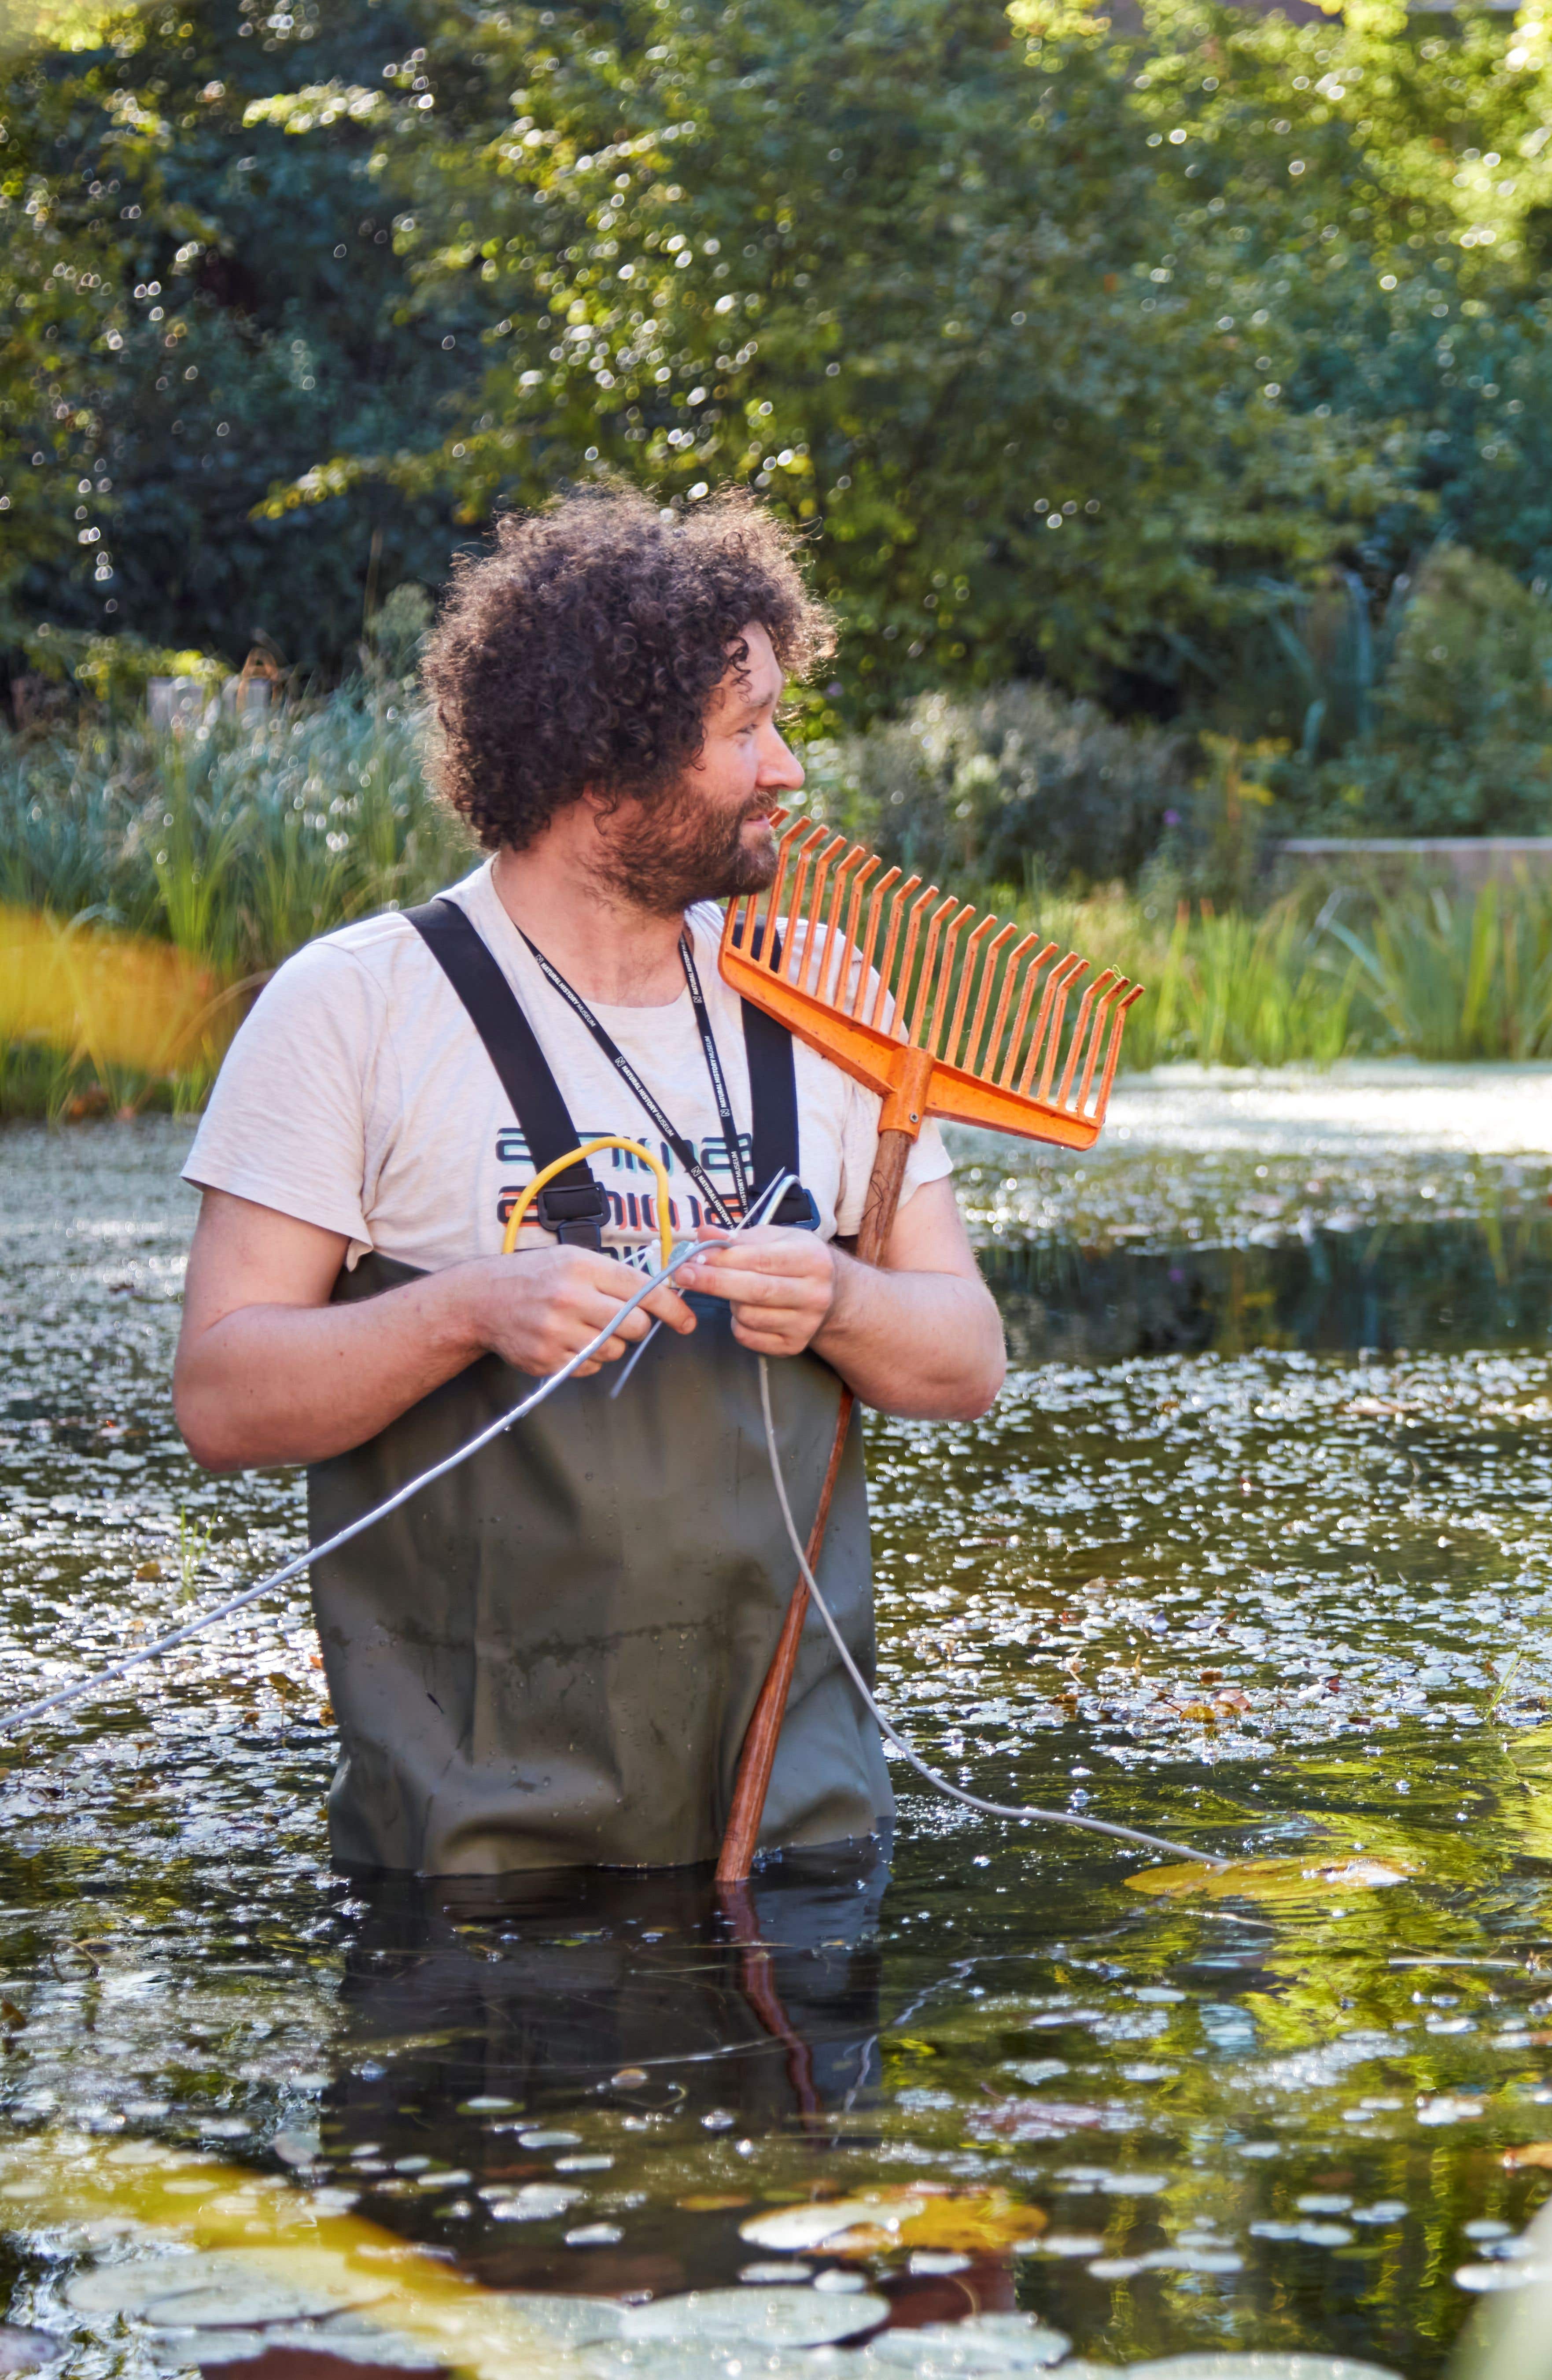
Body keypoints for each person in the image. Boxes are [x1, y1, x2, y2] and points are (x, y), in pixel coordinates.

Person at [173, 485, 1006, 1875]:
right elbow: (223, 1396)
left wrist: (846, 1297)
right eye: (745, 731)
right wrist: (467, 1309)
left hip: (795, 1843)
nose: (787, 769)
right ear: (599, 770)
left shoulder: (833, 1001)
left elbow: (964, 1356)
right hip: (474, 1869)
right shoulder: (355, 1007)